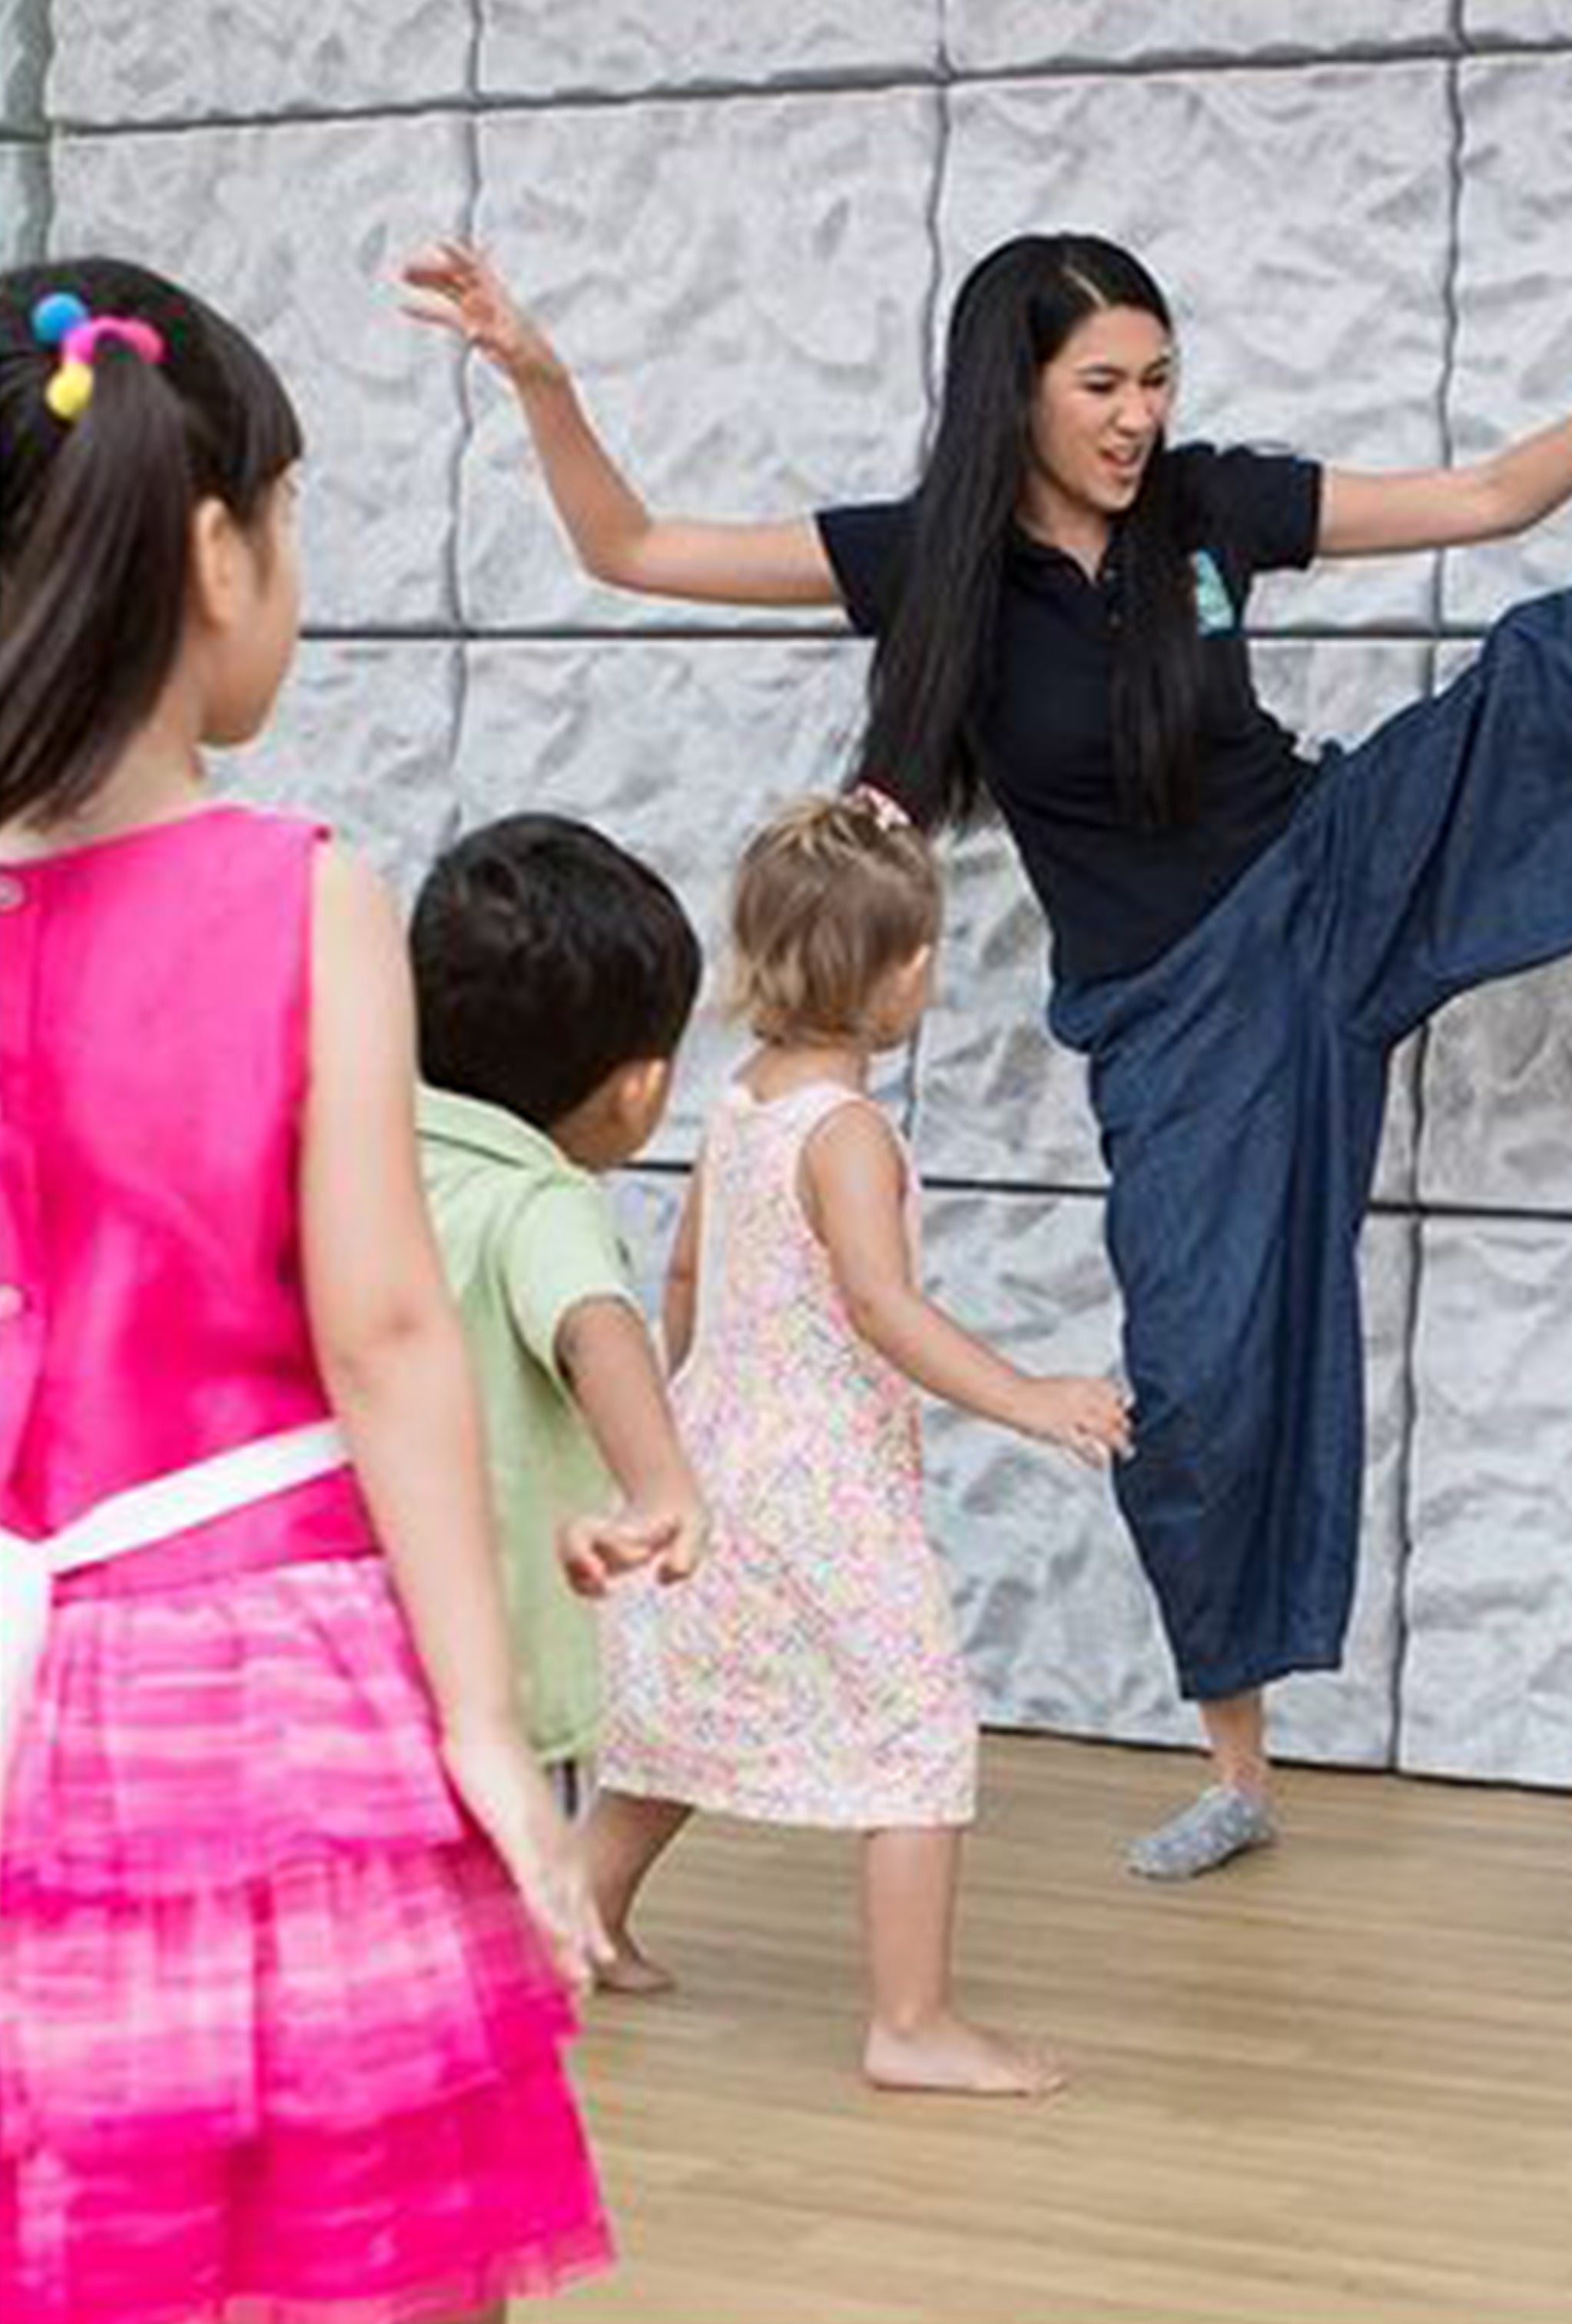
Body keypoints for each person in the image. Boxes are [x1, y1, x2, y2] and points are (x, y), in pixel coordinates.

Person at [406, 231, 1572, 1878]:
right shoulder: (922, 558)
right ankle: (1241, 1768)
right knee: (1202, 1371)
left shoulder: (1210, 506)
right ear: (1014, 387)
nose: (1138, 416)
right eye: (1102, 384)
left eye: (1156, 379)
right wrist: (541, 373)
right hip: (1179, 1008)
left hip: (1331, 869)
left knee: (1557, 670)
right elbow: (629, 549)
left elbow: (1487, 497)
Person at [1, 257, 609, 2322]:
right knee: (365, 2244)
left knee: (89, 2234)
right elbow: (386, 1331)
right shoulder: (300, 897)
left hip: (23, 1676)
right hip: (261, 1680)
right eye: (292, 519)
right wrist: (489, 1736)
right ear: (210, 554)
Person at [588, 792, 1130, 2096]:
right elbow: (882, 1308)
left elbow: (683, 1278)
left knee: (693, 1702)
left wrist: (681, 1433)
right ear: (901, 976)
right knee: (920, 1726)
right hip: (819, 1477)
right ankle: (911, 2022)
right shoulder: (848, 1134)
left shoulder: (743, 1103)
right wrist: (1029, 1396)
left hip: (720, 1448)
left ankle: (578, 1912)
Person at [413, 812, 712, 1804]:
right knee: (519, 1934)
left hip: (358, 1661)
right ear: (639, 1091)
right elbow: (595, 1324)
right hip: (510, 1678)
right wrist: (662, 1482)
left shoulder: (360, 1158)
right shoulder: (540, 1202)